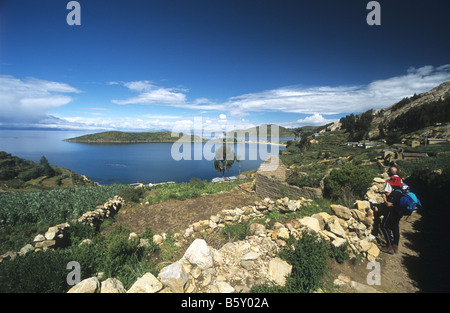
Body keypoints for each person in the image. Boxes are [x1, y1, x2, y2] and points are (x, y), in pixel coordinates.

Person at [379, 166, 404, 254]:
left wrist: (385, 198)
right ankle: (395, 246)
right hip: (399, 211)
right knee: (395, 226)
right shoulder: (400, 190)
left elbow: (389, 204)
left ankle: (389, 246)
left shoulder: (395, 193)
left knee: (384, 226)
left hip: (392, 211)